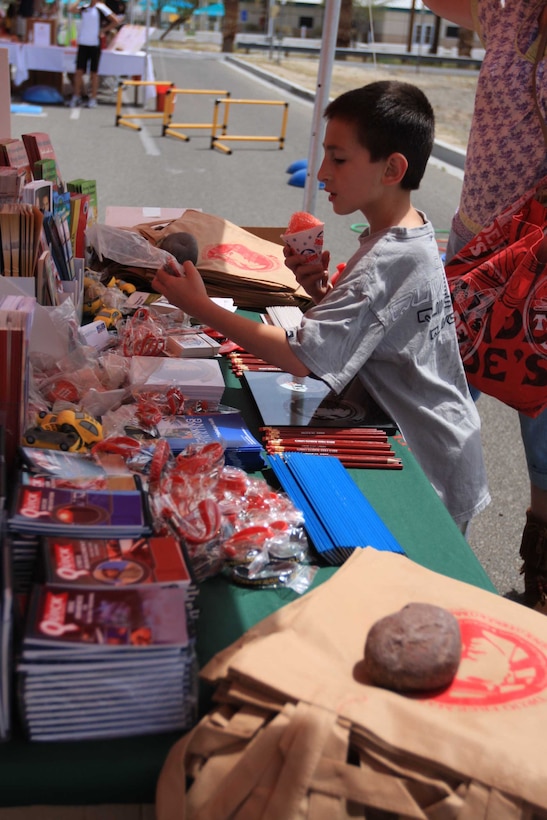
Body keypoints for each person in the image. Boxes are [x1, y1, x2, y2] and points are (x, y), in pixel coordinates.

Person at [153, 81, 491, 533]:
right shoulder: (403, 235)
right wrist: (319, 293)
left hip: (427, 460)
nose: (321, 173)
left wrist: (200, 305)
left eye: (339, 157)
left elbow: (300, 358)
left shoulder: (388, 259)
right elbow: (377, 331)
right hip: (434, 441)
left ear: (391, 168)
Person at [424, 0, 547, 612]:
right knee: (440, 405)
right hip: (474, 239)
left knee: (544, 430)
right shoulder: (504, 9)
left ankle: (542, 584)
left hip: (539, 254)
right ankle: (434, 558)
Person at [68, 0, 119, 109]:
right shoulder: (85, 7)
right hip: (83, 43)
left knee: (94, 72)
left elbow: (115, 21)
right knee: (79, 71)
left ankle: (93, 98)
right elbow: (71, 10)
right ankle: (76, 96)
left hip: (95, 44)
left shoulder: (101, 8)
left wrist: (103, 30)